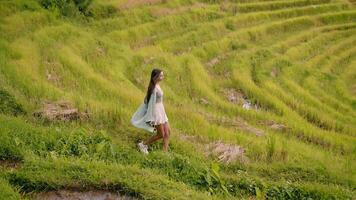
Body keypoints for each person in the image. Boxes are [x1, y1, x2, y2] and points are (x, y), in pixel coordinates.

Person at [131, 68, 171, 154]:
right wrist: (151, 117)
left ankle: (165, 152)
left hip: (161, 111)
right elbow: (149, 103)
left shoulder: (156, 85)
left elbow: (146, 99)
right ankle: (143, 144)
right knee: (161, 134)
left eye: (162, 75)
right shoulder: (153, 89)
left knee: (168, 132)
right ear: (154, 77)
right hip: (156, 113)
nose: (162, 77)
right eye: (161, 75)